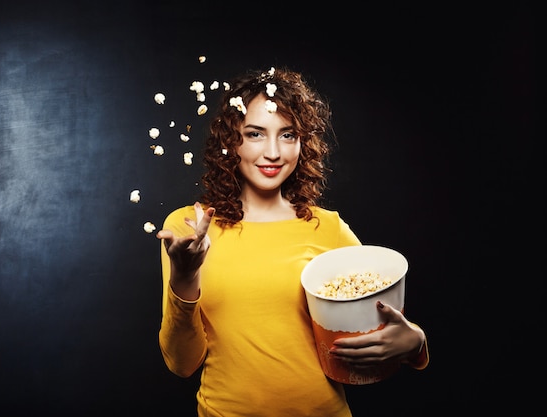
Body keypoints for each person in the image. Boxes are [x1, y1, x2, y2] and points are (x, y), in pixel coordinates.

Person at [156, 67, 429, 416]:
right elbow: (182, 363)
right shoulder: (189, 228)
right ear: (230, 140)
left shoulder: (326, 228)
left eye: (287, 135)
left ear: (303, 142)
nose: (273, 152)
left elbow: (382, 322)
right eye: (255, 134)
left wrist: (416, 344)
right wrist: (185, 277)